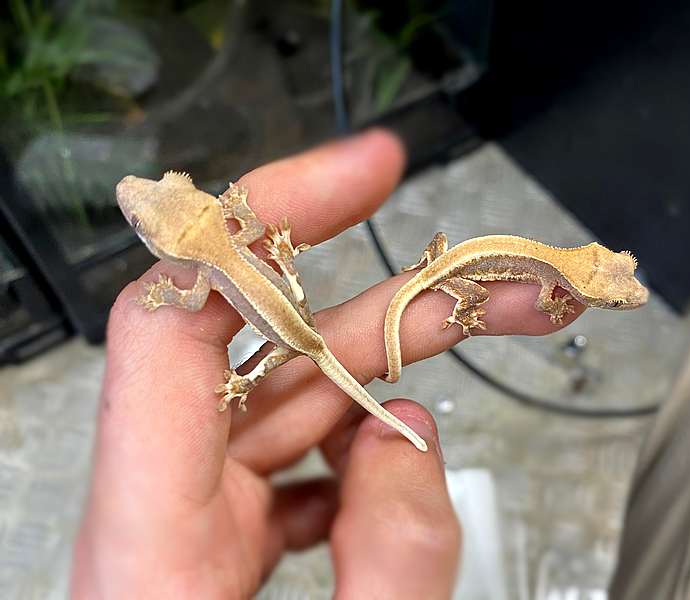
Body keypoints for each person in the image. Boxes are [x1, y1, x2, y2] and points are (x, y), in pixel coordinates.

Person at [70, 129, 584, 598]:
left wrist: (170, 301)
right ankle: (252, 376)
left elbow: (190, 304)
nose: (137, 190)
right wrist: (277, 263)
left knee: (283, 352)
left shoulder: (202, 276)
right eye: (142, 218)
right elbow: (245, 227)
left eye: (155, 195)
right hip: (293, 322)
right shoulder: (231, 240)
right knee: (292, 343)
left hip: (292, 336)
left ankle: (248, 380)